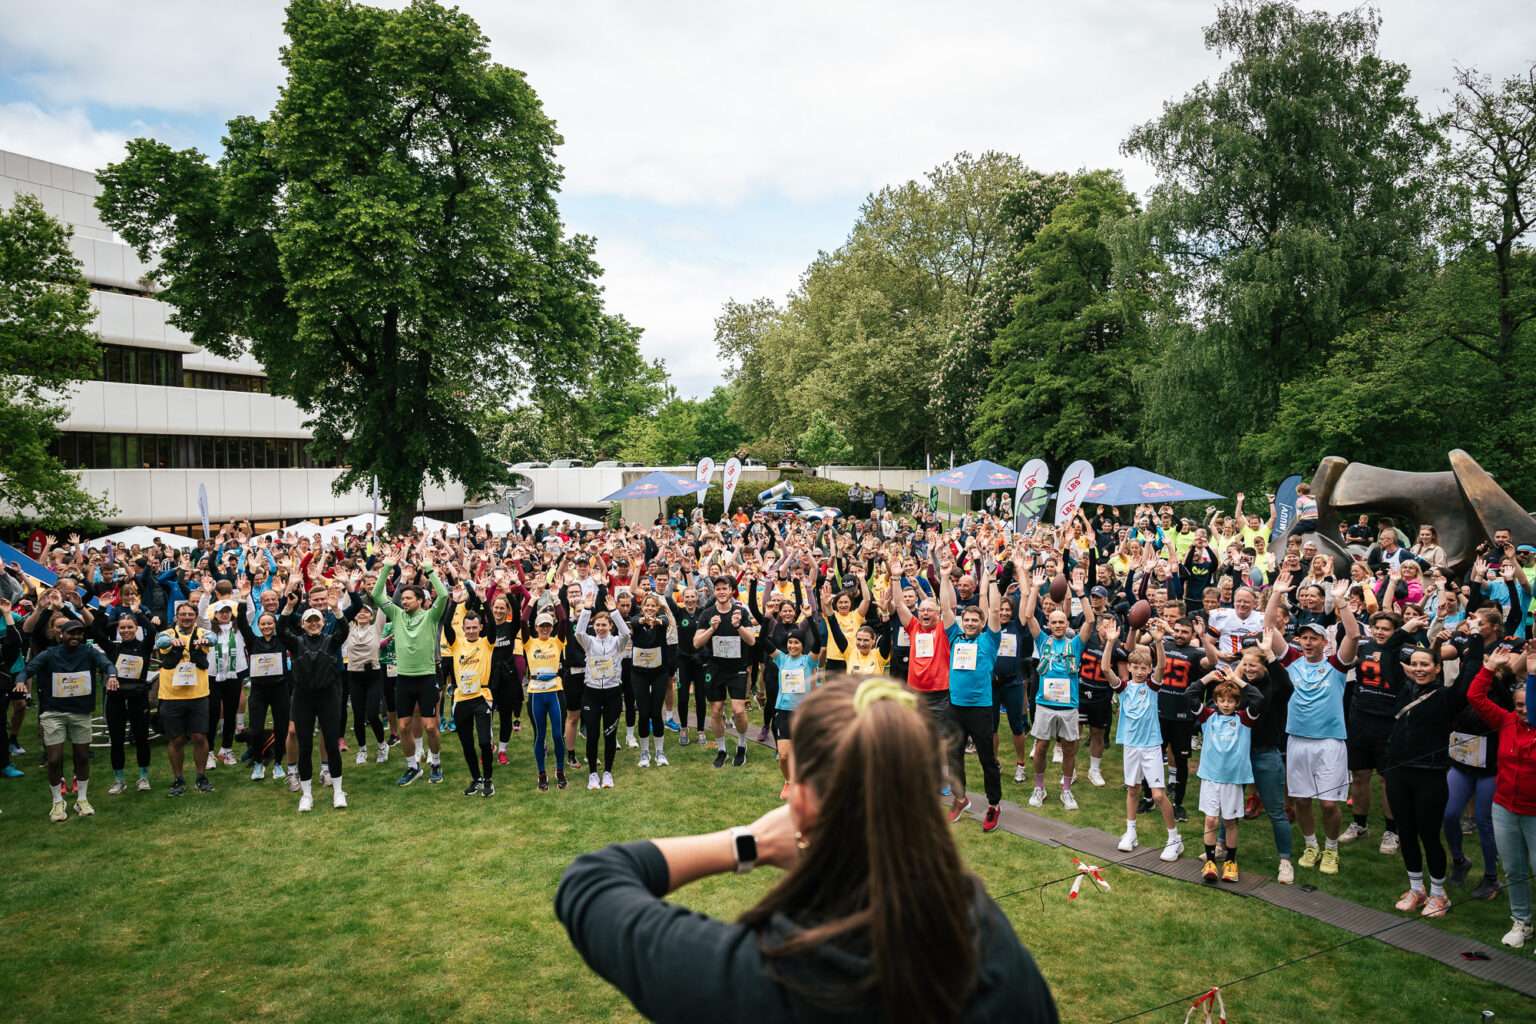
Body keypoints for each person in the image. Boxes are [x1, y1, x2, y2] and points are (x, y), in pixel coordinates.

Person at [554, 677, 1059, 1023]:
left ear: (799, 800)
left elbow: (591, 884)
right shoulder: (990, 941)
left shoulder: (769, 977)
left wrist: (745, 843)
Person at [1265, 577, 1359, 875]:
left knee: (1330, 804)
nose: (1307, 642)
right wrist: (1277, 594)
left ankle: (1331, 850)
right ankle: (1310, 845)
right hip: (1297, 740)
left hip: (1330, 741)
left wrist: (1341, 601)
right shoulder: (1292, 660)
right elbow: (1269, 628)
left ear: (1324, 642)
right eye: (1303, 637)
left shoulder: (1336, 664)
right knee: (1302, 799)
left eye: (1313, 638)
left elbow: (1354, 636)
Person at [1382, 630, 1467, 918]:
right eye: (1414, 664)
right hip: (1398, 772)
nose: (1419, 669)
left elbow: (1470, 678)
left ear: (1437, 668)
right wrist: (1406, 629)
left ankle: (1439, 894)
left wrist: (1475, 641)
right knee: (1405, 832)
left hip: (1430, 775)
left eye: (1425, 664)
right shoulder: (1402, 688)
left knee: (1429, 834)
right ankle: (1416, 888)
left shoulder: (1446, 697)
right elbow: (1387, 655)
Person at [1467, 648, 1536, 949]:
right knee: (1514, 869)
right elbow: (1475, 698)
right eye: (1519, 704)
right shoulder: (1507, 721)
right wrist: (1488, 669)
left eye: (1528, 704)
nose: (1523, 710)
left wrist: (1532, 675)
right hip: (1505, 808)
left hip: (1534, 813)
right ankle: (1521, 921)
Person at [15, 620, 117, 821]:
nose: (75, 637)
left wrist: (112, 675)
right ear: (61, 634)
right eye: (71, 634)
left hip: (80, 712)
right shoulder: (49, 654)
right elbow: (28, 669)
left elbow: (106, 664)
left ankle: (82, 799)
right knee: (54, 759)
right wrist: (20, 681)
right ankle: (57, 802)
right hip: (54, 713)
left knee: (82, 757)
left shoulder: (88, 652)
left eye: (79, 634)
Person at [1104, 621, 1183, 862]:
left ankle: (1174, 839)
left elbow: (1163, 667)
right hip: (1131, 746)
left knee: (1158, 795)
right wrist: (1109, 642)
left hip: (1150, 746)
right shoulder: (1124, 688)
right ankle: (1130, 832)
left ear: (1149, 669)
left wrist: (1159, 641)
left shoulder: (1152, 687)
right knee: (1132, 789)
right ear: (1129, 667)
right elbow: (1106, 669)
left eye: (1143, 667)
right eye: (1135, 666)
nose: (1139, 671)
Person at [1022, 568, 1096, 811]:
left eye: (1061, 622)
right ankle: (1039, 787)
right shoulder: (1042, 641)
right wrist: (1034, 589)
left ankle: (1066, 790)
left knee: (1069, 749)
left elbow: (1091, 621)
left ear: (1066, 623)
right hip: (1044, 704)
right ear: (1049, 624)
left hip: (1068, 705)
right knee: (1041, 746)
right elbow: (1028, 616)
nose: (1057, 625)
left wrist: (1082, 594)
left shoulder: (1075, 644)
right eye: (1053, 622)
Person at [372, 554, 448, 786]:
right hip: (403, 679)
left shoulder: (431, 616)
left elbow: (443, 595)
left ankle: (435, 762)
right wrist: (386, 566)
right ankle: (412, 767)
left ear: (420, 600)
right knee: (403, 726)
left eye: (408, 598)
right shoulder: (396, 615)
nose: (404, 602)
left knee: (430, 727)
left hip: (426, 678)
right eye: (402, 598)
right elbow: (376, 595)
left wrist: (429, 569)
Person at [941, 566, 1004, 830]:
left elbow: (996, 611)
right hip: (955, 707)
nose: (969, 623)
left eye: (974, 621)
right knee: (953, 757)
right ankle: (960, 799)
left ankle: (994, 805)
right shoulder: (954, 637)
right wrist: (944, 577)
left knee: (987, 759)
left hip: (980, 709)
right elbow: (945, 609)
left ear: (981, 623)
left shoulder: (989, 640)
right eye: (966, 620)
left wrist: (990, 582)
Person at [1191, 671, 1263, 882]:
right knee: (1211, 820)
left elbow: (1258, 698)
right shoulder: (1208, 716)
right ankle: (1210, 861)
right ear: (1215, 701)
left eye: (1231, 701)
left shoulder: (1244, 719)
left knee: (1230, 821)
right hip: (1210, 777)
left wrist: (1236, 679)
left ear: (1237, 702)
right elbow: (1189, 694)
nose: (1225, 704)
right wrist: (1207, 678)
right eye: (1221, 700)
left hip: (1233, 778)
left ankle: (1231, 861)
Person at [280, 604, 352, 812]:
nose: (313, 624)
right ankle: (307, 794)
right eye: (309, 621)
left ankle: (338, 791)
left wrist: (338, 610)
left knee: (331, 744)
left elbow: (344, 630)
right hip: (303, 698)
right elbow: (281, 630)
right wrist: (288, 608)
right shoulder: (296, 643)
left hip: (328, 697)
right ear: (302, 625)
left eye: (316, 620)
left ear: (323, 623)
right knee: (305, 747)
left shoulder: (331, 642)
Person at [695, 576, 758, 769]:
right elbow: (696, 643)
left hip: (737, 668)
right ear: (715, 592)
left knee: (739, 710)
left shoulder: (741, 612)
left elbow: (752, 641)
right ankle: (721, 749)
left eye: (725, 588)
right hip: (715, 668)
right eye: (718, 589)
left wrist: (738, 626)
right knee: (716, 711)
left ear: (731, 591)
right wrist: (711, 629)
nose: (721, 592)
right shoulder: (707, 614)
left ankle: (741, 744)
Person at [154, 601, 215, 797]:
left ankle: (201, 776)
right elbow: (160, 641)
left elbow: (213, 638)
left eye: (190, 614)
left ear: (195, 616)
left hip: (198, 694)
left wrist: (205, 642)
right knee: (177, 739)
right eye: (183, 614)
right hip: (172, 695)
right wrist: (172, 643)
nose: (186, 617)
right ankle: (178, 778)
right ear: (176, 617)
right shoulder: (168, 634)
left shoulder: (201, 633)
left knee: (199, 736)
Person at [574, 593, 631, 790]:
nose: (600, 628)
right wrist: (586, 610)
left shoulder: (617, 643)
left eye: (604, 625)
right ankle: (592, 774)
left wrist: (614, 612)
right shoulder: (589, 642)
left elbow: (626, 634)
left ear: (610, 626)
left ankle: (607, 772)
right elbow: (578, 633)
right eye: (597, 625)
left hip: (613, 693)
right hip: (591, 693)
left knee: (609, 733)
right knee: (592, 735)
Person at [442, 608, 496, 797]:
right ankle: (476, 778)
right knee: (466, 743)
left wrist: (483, 600)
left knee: (484, 741)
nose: (472, 631)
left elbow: (493, 623)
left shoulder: (487, 642)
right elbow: (446, 623)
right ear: (463, 628)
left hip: (482, 697)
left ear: (481, 627)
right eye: (468, 628)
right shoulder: (456, 644)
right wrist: (453, 602)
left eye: (475, 627)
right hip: (461, 698)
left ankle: (488, 779)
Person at [100, 613, 154, 792]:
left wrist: (137, 613)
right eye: (122, 627)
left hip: (138, 698)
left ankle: (143, 777)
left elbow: (152, 631)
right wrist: (112, 615)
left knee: (141, 739)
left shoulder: (144, 647)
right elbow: (96, 631)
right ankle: (119, 780)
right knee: (116, 740)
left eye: (130, 627)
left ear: (137, 628)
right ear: (117, 629)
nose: (126, 630)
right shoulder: (112, 648)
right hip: (116, 699)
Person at [523, 611, 568, 791]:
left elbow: (564, 620)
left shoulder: (557, 641)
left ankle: (560, 770)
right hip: (536, 692)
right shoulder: (529, 642)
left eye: (548, 625)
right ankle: (542, 773)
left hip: (555, 691)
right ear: (536, 627)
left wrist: (557, 599)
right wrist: (532, 599)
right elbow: (522, 620)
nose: (545, 629)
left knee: (558, 734)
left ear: (552, 627)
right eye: (541, 626)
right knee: (540, 735)